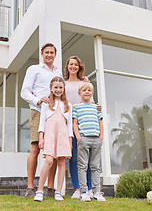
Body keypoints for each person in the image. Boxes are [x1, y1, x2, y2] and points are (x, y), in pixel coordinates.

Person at [21, 43, 62, 198]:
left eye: (52, 52)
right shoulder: (34, 69)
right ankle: (30, 187)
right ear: (42, 53)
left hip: (54, 115)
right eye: (47, 52)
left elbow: (64, 90)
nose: (49, 55)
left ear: (55, 54)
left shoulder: (58, 73)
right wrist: (38, 100)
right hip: (38, 111)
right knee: (35, 148)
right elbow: (24, 91)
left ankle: (51, 188)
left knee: (54, 151)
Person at [33, 76, 73, 201]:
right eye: (56, 87)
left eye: (60, 87)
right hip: (49, 135)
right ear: (51, 89)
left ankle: (58, 191)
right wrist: (41, 137)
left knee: (61, 162)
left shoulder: (68, 105)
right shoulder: (46, 104)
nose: (58, 90)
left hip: (63, 136)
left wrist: (70, 140)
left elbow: (69, 125)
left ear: (63, 89)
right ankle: (39, 191)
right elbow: (42, 122)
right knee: (49, 161)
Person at [64, 56, 92, 199]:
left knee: (86, 158)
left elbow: (90, 101)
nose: (73, 67)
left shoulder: (84, 82)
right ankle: (77, 188)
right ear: (67, 66)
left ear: (79, 67)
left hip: (84, 123)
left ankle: (89, 188)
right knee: (73, 158)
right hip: (69, 123)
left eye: (75, 64)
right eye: (71, 64)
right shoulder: (63, 83)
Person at [72, 82, 106, 202]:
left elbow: (100, 123)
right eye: (84, 90)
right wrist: (79, 138)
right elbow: (74, 124)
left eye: (89, 90)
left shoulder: (95, 107)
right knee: (82, 166)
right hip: (84, 139)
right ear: (79, 93)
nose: (87, 92)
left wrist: (101, 137)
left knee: (95, 166)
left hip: (96, 139)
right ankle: (84, 192)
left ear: (92, 93)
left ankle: (96, 192)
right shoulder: (76, 107)